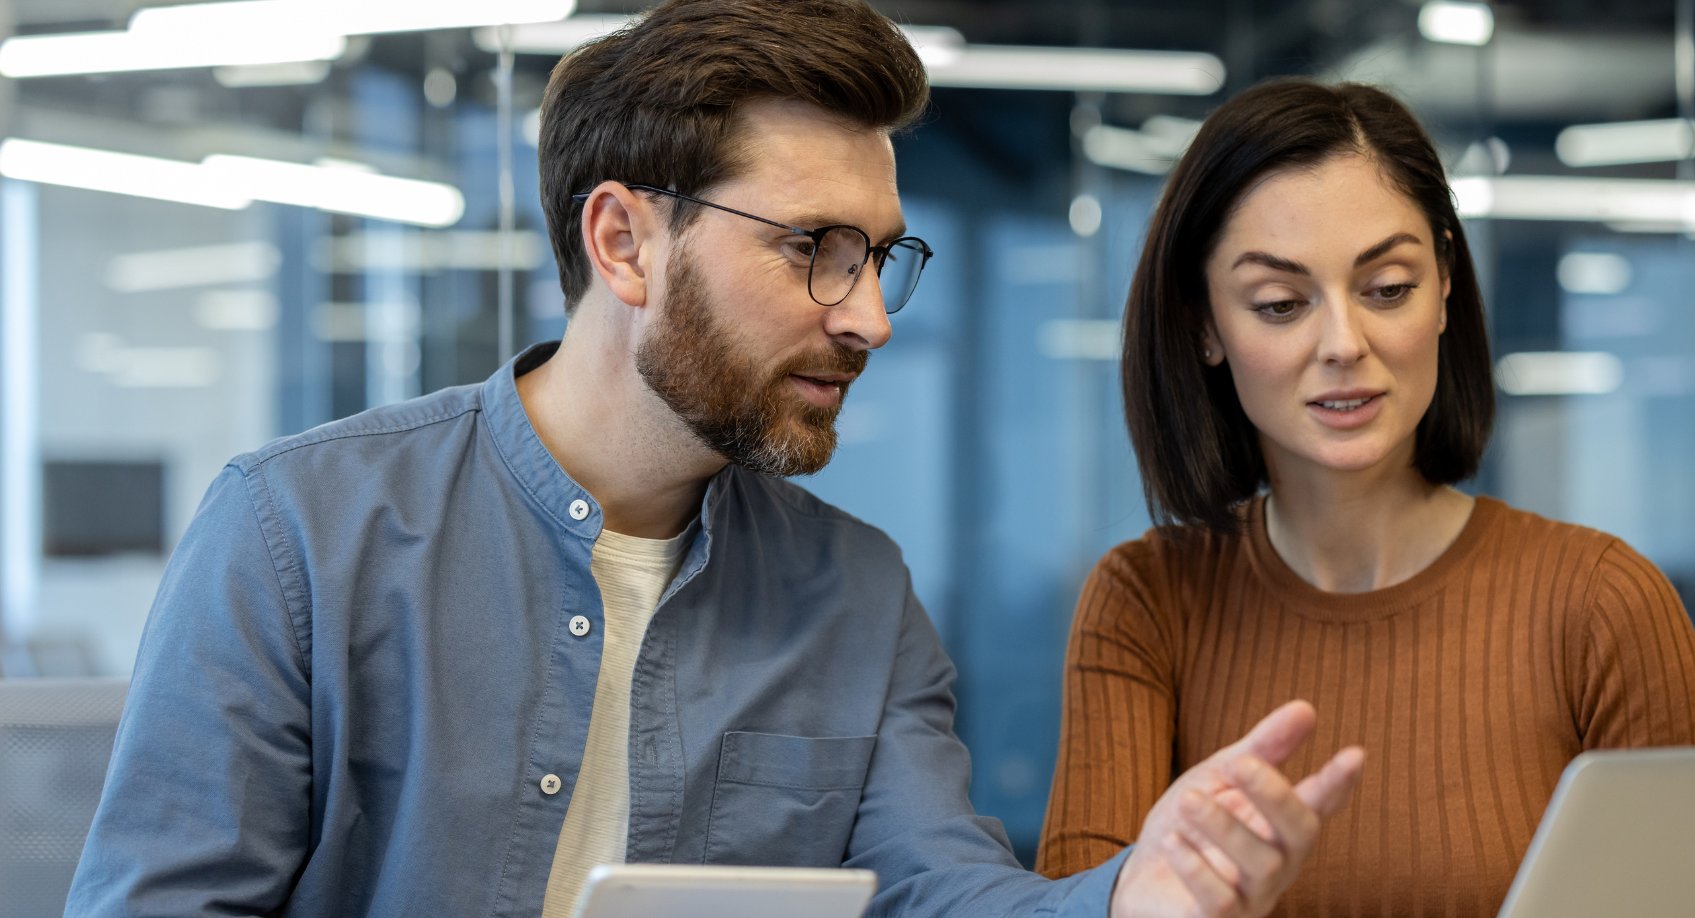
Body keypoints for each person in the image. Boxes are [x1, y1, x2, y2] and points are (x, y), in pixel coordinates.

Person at [62, 5, 1367, 918]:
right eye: (815, 247)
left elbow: (941, 893)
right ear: (626, 242)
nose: (871, 316)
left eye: (881, 254)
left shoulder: (856, 596)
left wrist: (1135, 893)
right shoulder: (296, 535)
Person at [1035, 80, 1695, 917]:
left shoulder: (1602, 603)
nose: (1343, 345)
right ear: (1205, 327)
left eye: (1388, 287)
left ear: (1443, 286)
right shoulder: (1146, 602)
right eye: (1281, 304)